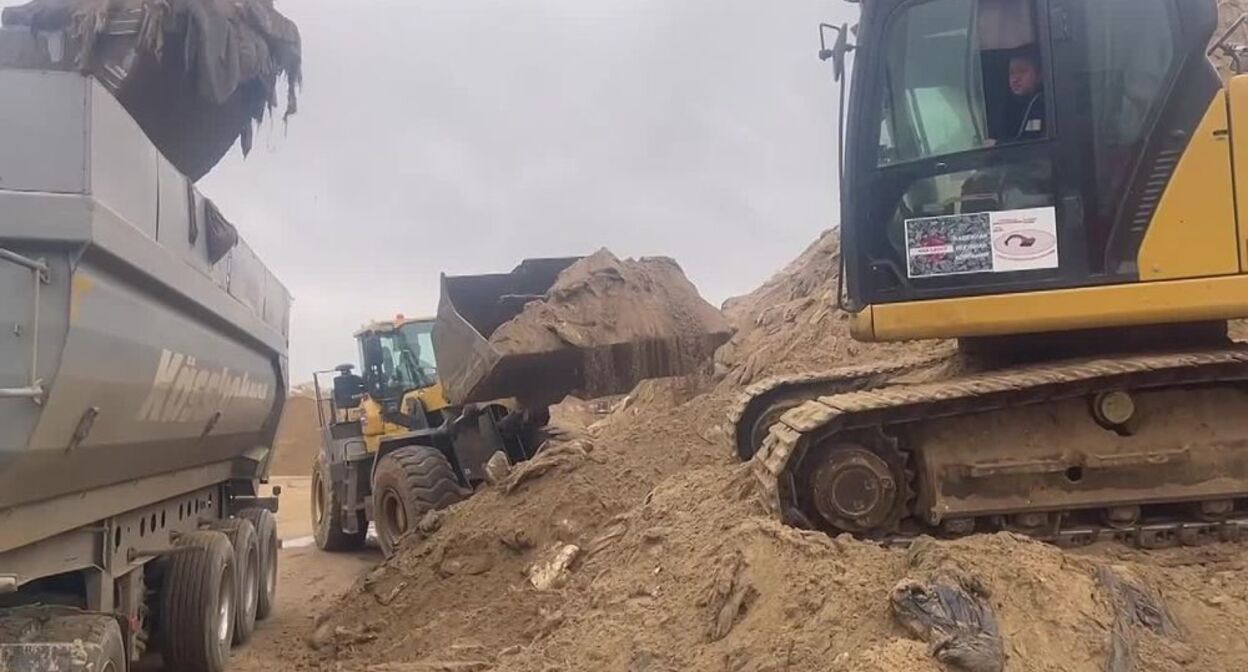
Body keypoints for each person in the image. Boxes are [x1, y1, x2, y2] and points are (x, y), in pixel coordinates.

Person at [1006, 49, 1045, 141]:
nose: (1015, 79)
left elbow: (1031, 141)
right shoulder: (1007, 106)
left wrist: (997, 144)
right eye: (1011, 72)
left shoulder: (1042, 104)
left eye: (1022, 71)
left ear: (1040, 75)